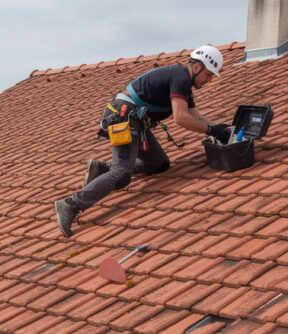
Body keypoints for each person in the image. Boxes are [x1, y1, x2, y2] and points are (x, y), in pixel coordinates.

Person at [54, 45, 231, 237]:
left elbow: (195, 116)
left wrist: (220, 129)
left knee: (160, 164)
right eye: (208, 74)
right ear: (196, 67)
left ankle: (102, 170)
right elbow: (181, 117)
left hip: (136, 121)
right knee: (121, 174)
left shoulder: (183, 83)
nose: (209, 80)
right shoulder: (180, 78)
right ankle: (70, 205)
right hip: (124, 118)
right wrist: (212, 130)